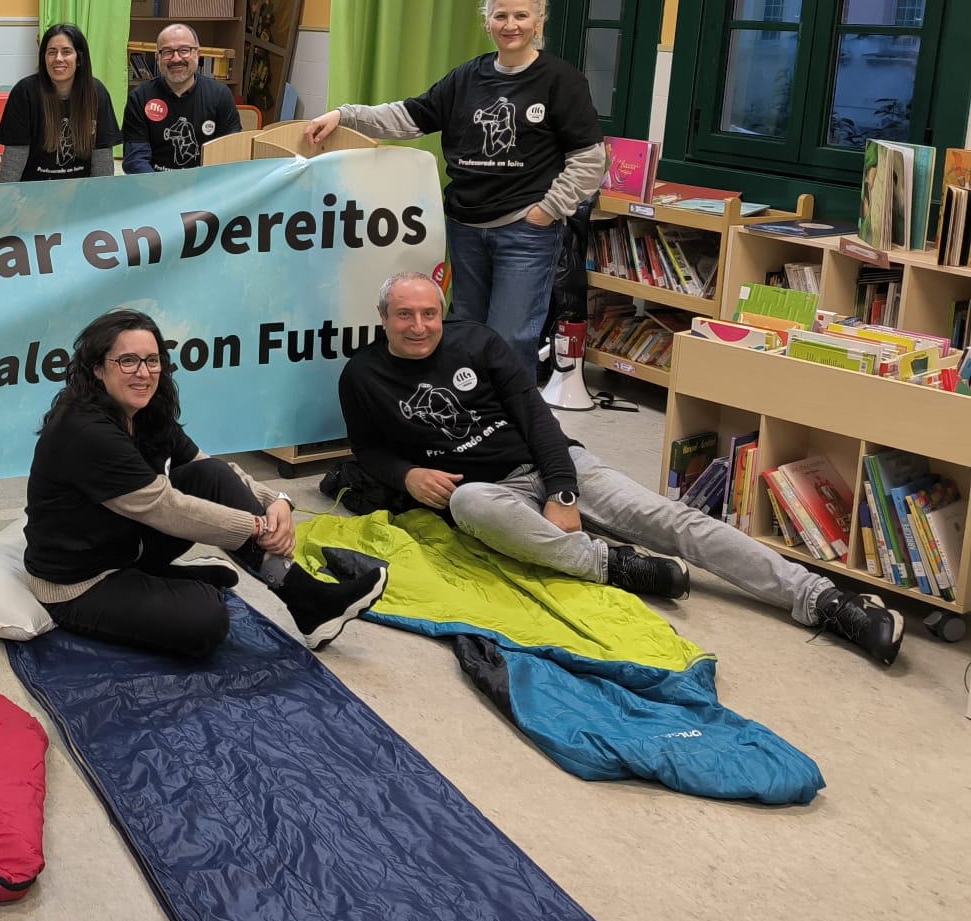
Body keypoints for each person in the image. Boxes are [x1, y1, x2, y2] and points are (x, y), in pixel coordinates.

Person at [337, 272, 902, 666]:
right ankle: (613, 565)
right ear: (383, 318)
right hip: (486, 491)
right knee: (468, 504)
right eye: (404, 315)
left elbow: (538, 419)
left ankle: (823, 600)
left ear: (442, 313)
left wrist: (562, 492)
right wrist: (406, 476)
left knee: (673, 520)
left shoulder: (478, 341)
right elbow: (368, 450)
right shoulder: (362, 376)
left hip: (553, 464)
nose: (419, 325)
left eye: (429, 313)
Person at [23, 309, 388, 658]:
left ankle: (306, 599)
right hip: (80, 583)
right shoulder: (87, 432)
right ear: (97, 368)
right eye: (128, 361)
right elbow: (165, 508)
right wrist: (258, 526)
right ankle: (181, 581)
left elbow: (206, 466)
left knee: (209, 476)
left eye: (152, 360)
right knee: (207, 621)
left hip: (124, 544)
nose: (143, 372)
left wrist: (276, 500)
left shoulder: (145, 411)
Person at [308, 0, 603, 356]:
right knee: (465, 331)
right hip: (465, 228)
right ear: (487, 22)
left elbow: (589, 157)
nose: (510, 25)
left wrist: (547, 210)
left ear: (538, 21)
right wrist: (345, 115)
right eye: (500, 16)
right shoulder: (466, 78)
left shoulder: (560, 80)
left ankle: (511, 400)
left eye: (521, 16)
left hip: (525, 232)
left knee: (511, 339)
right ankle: (469, 398)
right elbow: (409, 116)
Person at [0, 23, 120, 182]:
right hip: (32, 188)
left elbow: (102, 162)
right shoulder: (25, 92)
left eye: (66, 52)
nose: (58, 58)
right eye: (52, 52)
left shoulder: (96, 92)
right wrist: (3, 194)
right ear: (44, 58)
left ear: (79, 59)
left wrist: (102, 194)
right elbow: (14, 161)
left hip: (80, 189)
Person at [122, 22, 240, 173]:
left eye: (184, 50)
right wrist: (158, 185)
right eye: (167, 52)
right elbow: (135, 160)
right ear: (158, 57)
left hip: (206, 183)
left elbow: (230, 152)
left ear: (197, 53)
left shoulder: (220, 95)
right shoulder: (140, 98)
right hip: (155, 183)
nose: (176, 58)